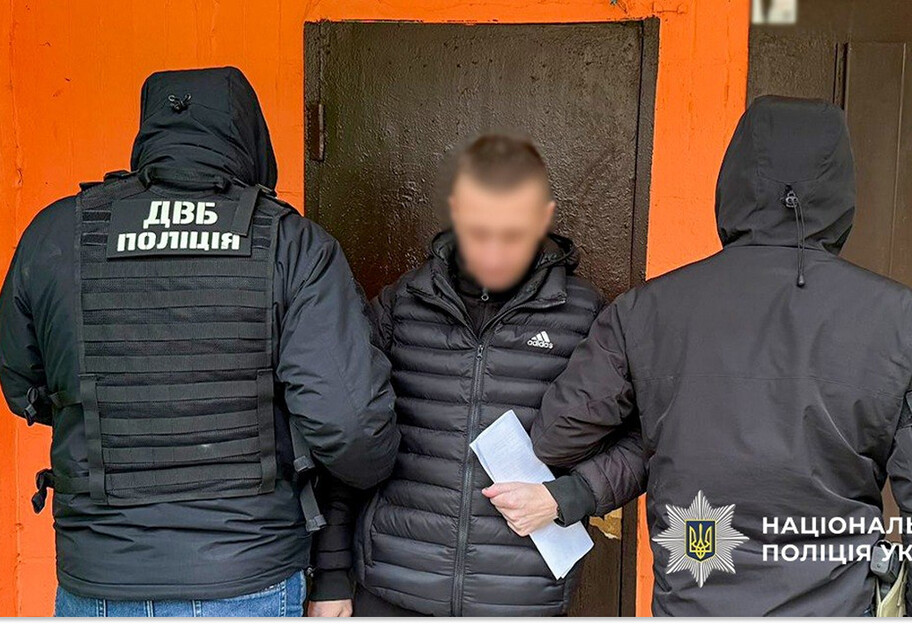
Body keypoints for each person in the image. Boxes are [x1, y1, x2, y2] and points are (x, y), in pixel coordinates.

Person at [0, 66, 399, 617]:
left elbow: (24, 387)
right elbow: (350, 428)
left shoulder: (56, 233)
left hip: (97, 574)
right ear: (249, 136)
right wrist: (376, 471)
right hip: (246, 575)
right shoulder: (291, 243)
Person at [532, 95, 912, 616]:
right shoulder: (899, 319)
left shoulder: (646, 310)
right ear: (840, 189)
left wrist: (664, 419)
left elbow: (557, 435)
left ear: (734, 182)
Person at [307, 134, 646, 617]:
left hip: (519, 598)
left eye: (512, 235)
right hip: (391, 588)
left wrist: (568, 496)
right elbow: (348, 443)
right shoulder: (402, 307)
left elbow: (644, 438)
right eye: (479, 232)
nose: (493, 253)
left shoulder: (586, 315)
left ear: (543, 218)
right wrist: (331, 576)